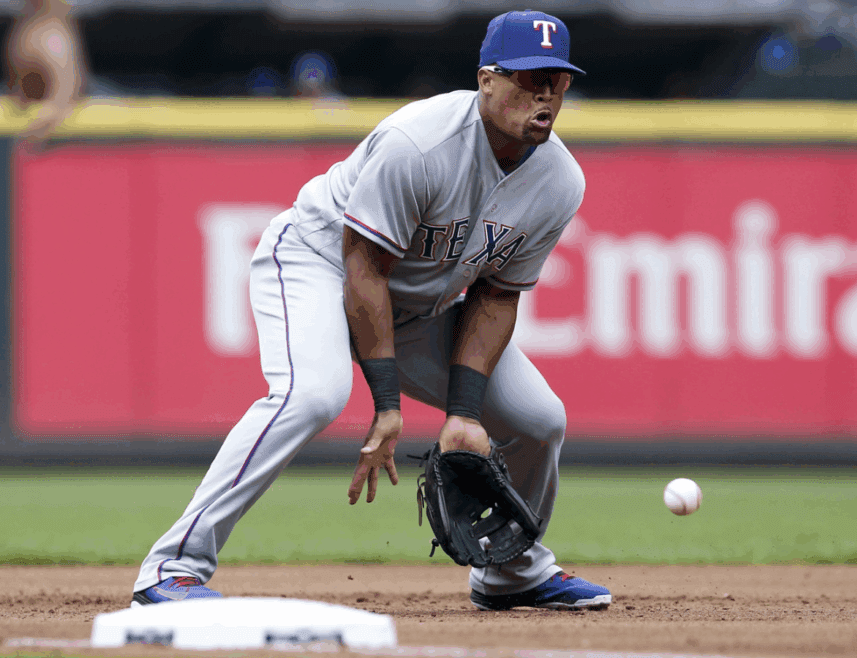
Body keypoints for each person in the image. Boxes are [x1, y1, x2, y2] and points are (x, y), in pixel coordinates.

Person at [131, 9, 611, 612]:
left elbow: (495, 296)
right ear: (486, 79)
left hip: (417, 302)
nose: (543, 92)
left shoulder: (560, 180)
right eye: (526, 77)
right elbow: (363, 268)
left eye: (555, 80)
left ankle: (511, 573)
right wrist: (388, 405)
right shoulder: (420, 141)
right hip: (319, 262)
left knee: (540, 419)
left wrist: (463, 414)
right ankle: (172, 567)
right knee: (312, 395)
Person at [4, 0, 87, 140]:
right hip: (29, 136)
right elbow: (20, 88)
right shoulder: (29, 27)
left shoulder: (53, 37)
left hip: (56, 143)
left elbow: (61, 102)